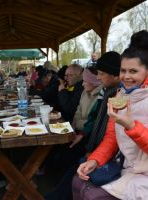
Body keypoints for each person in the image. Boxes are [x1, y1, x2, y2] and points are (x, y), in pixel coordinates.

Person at [73, 31, 148, 200]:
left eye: (133, 71)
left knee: (94, 196)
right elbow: (111, 139)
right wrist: (95, 160)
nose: (126, 77)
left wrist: (131, 126)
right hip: (134, 169)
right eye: (123, 71)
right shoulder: (121, 96)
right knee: (78, 181)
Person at [45, 52, 121, 200]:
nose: (98, 78)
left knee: (74, 165)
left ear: (115, 75)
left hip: (108, 154)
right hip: (94, 143)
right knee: (71, 161)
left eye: (101, 74)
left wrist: (93, 152)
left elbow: (111, 133)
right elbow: (93, 119)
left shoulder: (117, 96)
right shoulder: (106, 93)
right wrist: (82, 135)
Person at [71, 68, 102, 132]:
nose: (82, 84)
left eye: (85, 81)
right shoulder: (85, 92)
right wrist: (73, 128)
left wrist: (78, 124)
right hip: (78, 131)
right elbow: (78, 112)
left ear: (94, 82)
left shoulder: (102, 96)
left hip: (89, 135)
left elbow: (94, 123)